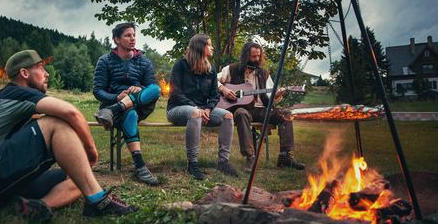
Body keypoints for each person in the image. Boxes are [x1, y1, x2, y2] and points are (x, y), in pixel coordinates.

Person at [0, 50, 138, 223]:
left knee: (79, 178)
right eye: (41, 68)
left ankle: (38, 207)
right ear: (24, 73)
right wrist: (90, 149)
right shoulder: (13, 92)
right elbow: (71, 112)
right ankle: (100, 201)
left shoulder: (15, 98)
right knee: (55, 122)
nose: (47, 74)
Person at [217, 42, 305, 172]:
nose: (256, 59)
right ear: (246, 55)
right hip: (243, 110)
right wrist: (223, 89)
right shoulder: (232, 69)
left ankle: (285, 157)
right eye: (253, 56)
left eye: (258, 56)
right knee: (241, 113)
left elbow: (270, 97)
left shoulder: (263, 73)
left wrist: (277, 95)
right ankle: (251, 157)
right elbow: (213, 80)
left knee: (286, 113)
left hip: (261, 109)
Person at [93, 22, 161, 186]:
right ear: (117, 39)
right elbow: (98, 90)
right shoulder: (105, 61)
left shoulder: (144, 62)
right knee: (130, 114)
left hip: (137, 105)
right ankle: (139, 166)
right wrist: (117, 97)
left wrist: (140, 88)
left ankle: (113, 109)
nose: (132, 39)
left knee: (156, 89)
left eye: (133, 35)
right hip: (118, 108)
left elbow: (150, 87)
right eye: (127, 35)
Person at [167, 34, 238, 180]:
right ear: (200, 47)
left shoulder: (211, 69)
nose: (212, 47)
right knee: (195, 113)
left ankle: (223, 162)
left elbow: (215, 94)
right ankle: (192, 164)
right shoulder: (180, 65)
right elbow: (176, 92)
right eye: (209, 45)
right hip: (177, 109)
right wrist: (197, 108)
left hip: (202, 110)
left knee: (227, 116)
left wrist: (208, 108)